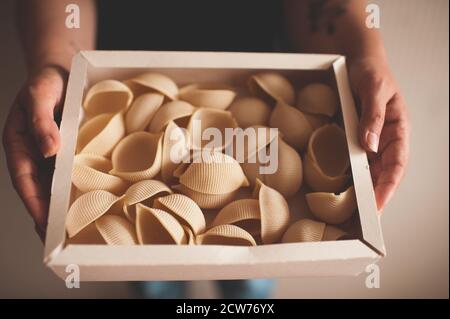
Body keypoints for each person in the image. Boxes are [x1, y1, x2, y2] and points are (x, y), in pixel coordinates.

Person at [2, 0, 410, 299]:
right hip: (126, 54)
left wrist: (363, 53)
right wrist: (57, 65)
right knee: (153, 279)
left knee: (250, 284)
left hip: (267, 61)